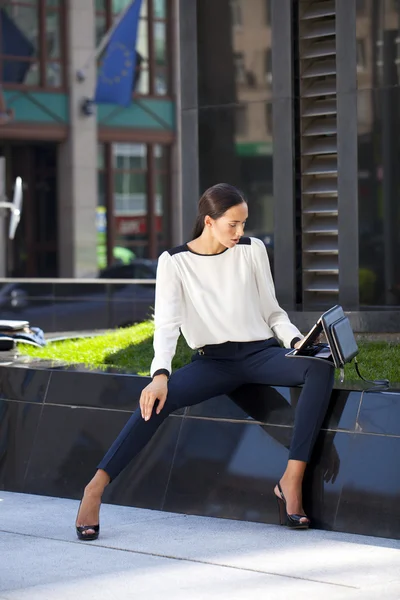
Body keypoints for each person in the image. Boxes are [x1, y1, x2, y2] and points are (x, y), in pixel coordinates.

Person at [75, 183, 334, 541]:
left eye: (244, 223)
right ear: (208, 221)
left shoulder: (252, 250)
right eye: (233, 224)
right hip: (215, 363)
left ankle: (291, 480)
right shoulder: (175, 262)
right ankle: (95, 488)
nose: (240, 232)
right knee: (154, 404)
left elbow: (273, 312)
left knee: (320, 367)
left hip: (261, 353)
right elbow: (166, 325)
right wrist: (160, 374)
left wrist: (296, 342)